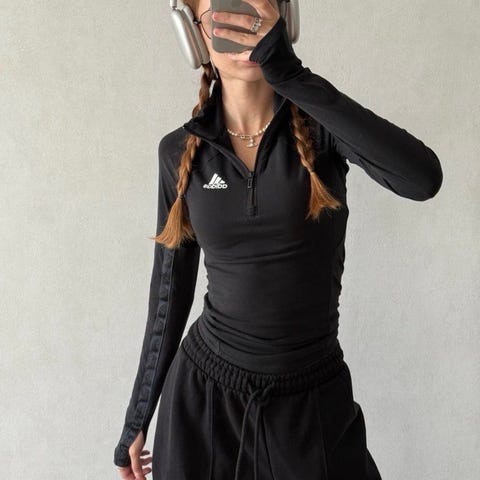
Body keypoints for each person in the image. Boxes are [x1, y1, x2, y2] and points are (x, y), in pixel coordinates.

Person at [114, 1, 443, 479]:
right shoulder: (180, 153)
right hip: (205, 403)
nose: (242, 31)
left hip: (312, 401)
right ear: (195, 35)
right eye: (223, 17)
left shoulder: (322, 132)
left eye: (255, 12)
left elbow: (422, 179)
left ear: (283, 18)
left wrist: (288, 71)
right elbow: (169, 290)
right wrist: (138, 416)